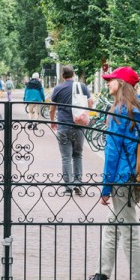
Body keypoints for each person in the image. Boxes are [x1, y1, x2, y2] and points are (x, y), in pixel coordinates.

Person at [71, 66, 140, 280]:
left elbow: (112, 152)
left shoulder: (120, 111)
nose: (108, 84)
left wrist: (106, 188)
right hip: (138, 175)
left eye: (112, 81)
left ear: (122, 84)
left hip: (121, 179)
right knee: (113, 227)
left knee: (129, 232)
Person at [50, 65, 91, 194]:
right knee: (78, 155)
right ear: (73, 74)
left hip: (63, 125)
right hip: (78, 125)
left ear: (63, 76)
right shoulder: (82, 87)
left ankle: (68, 187)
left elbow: (52, 108)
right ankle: (78, 183)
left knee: (66, 157)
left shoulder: (58, 88)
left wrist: (52, 121)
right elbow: (90, 103)